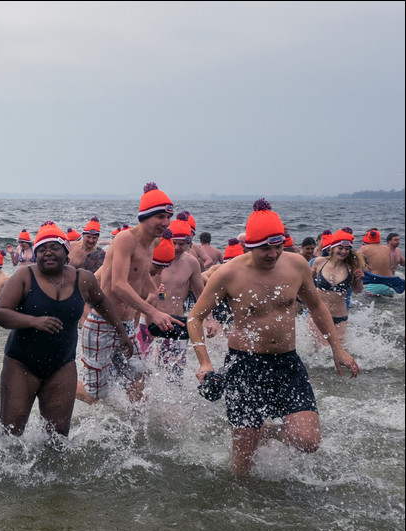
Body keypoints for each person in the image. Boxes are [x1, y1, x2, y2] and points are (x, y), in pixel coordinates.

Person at [186, 200, 359, 476]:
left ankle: (266, 431)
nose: (272, 253)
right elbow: (194, 318)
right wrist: (205, 362)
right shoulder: (228, 273)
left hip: (287, 364)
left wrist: (337, 349)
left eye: (277, 246)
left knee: (309, 441)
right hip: (245, 367)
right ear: (249, 246)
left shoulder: (297, 265)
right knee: (241, 470)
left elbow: (316, 306)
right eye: (265, 248)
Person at [0, 222, 131, 436]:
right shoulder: (24, 277)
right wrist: (33, 321)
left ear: (66, 250)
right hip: (21, 364)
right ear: (35, 254)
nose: (47, 253)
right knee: (10, 434)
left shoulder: (83, 279)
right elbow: (0, 312)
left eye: (54, 247)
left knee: (58, 437)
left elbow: (104, 304)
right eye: (41, 249)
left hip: (62, 365)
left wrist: (122, 334)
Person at [78, 183, 180, 404]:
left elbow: (143, 278)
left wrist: (153, 296)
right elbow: (118, 285)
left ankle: (135, 426)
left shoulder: (151, 243)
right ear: (144, 217)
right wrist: (152, 312)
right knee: (96, 394)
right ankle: (56, 384)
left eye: (168, 216)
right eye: (160, 216)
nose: (165, 222)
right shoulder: (126, 239)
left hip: (125, 327)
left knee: (138, 375)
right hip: (101, 324)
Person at [145, 226, 205, 380]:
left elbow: (201, 294)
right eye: (174, 243)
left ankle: (173, 403)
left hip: (175, 320)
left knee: (175, 371)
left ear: (189, 243)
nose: (177, 248)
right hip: (149, 319)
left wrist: (209, 319)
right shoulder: (155, 257)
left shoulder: (192, 263)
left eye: (181, 244)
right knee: (145, 367)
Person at [310, 228, 363, 344]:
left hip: (340, 317)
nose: (343, 251)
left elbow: (357, 291)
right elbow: (307, 282)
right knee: (319, 352)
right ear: (332, 248)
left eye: (347, 249)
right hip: (319, 314)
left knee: (338, 351)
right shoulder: (319, 262)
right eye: (340, 248)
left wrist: (359, 280)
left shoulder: (351, 268)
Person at [360, 228, 406, 294]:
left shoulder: (398, 251)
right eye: (395, 240)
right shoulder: (382, 251)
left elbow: (403, 263)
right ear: (388, 241)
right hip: (381, 280)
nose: (398, 241)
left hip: (389, 281)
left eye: (399, 240)